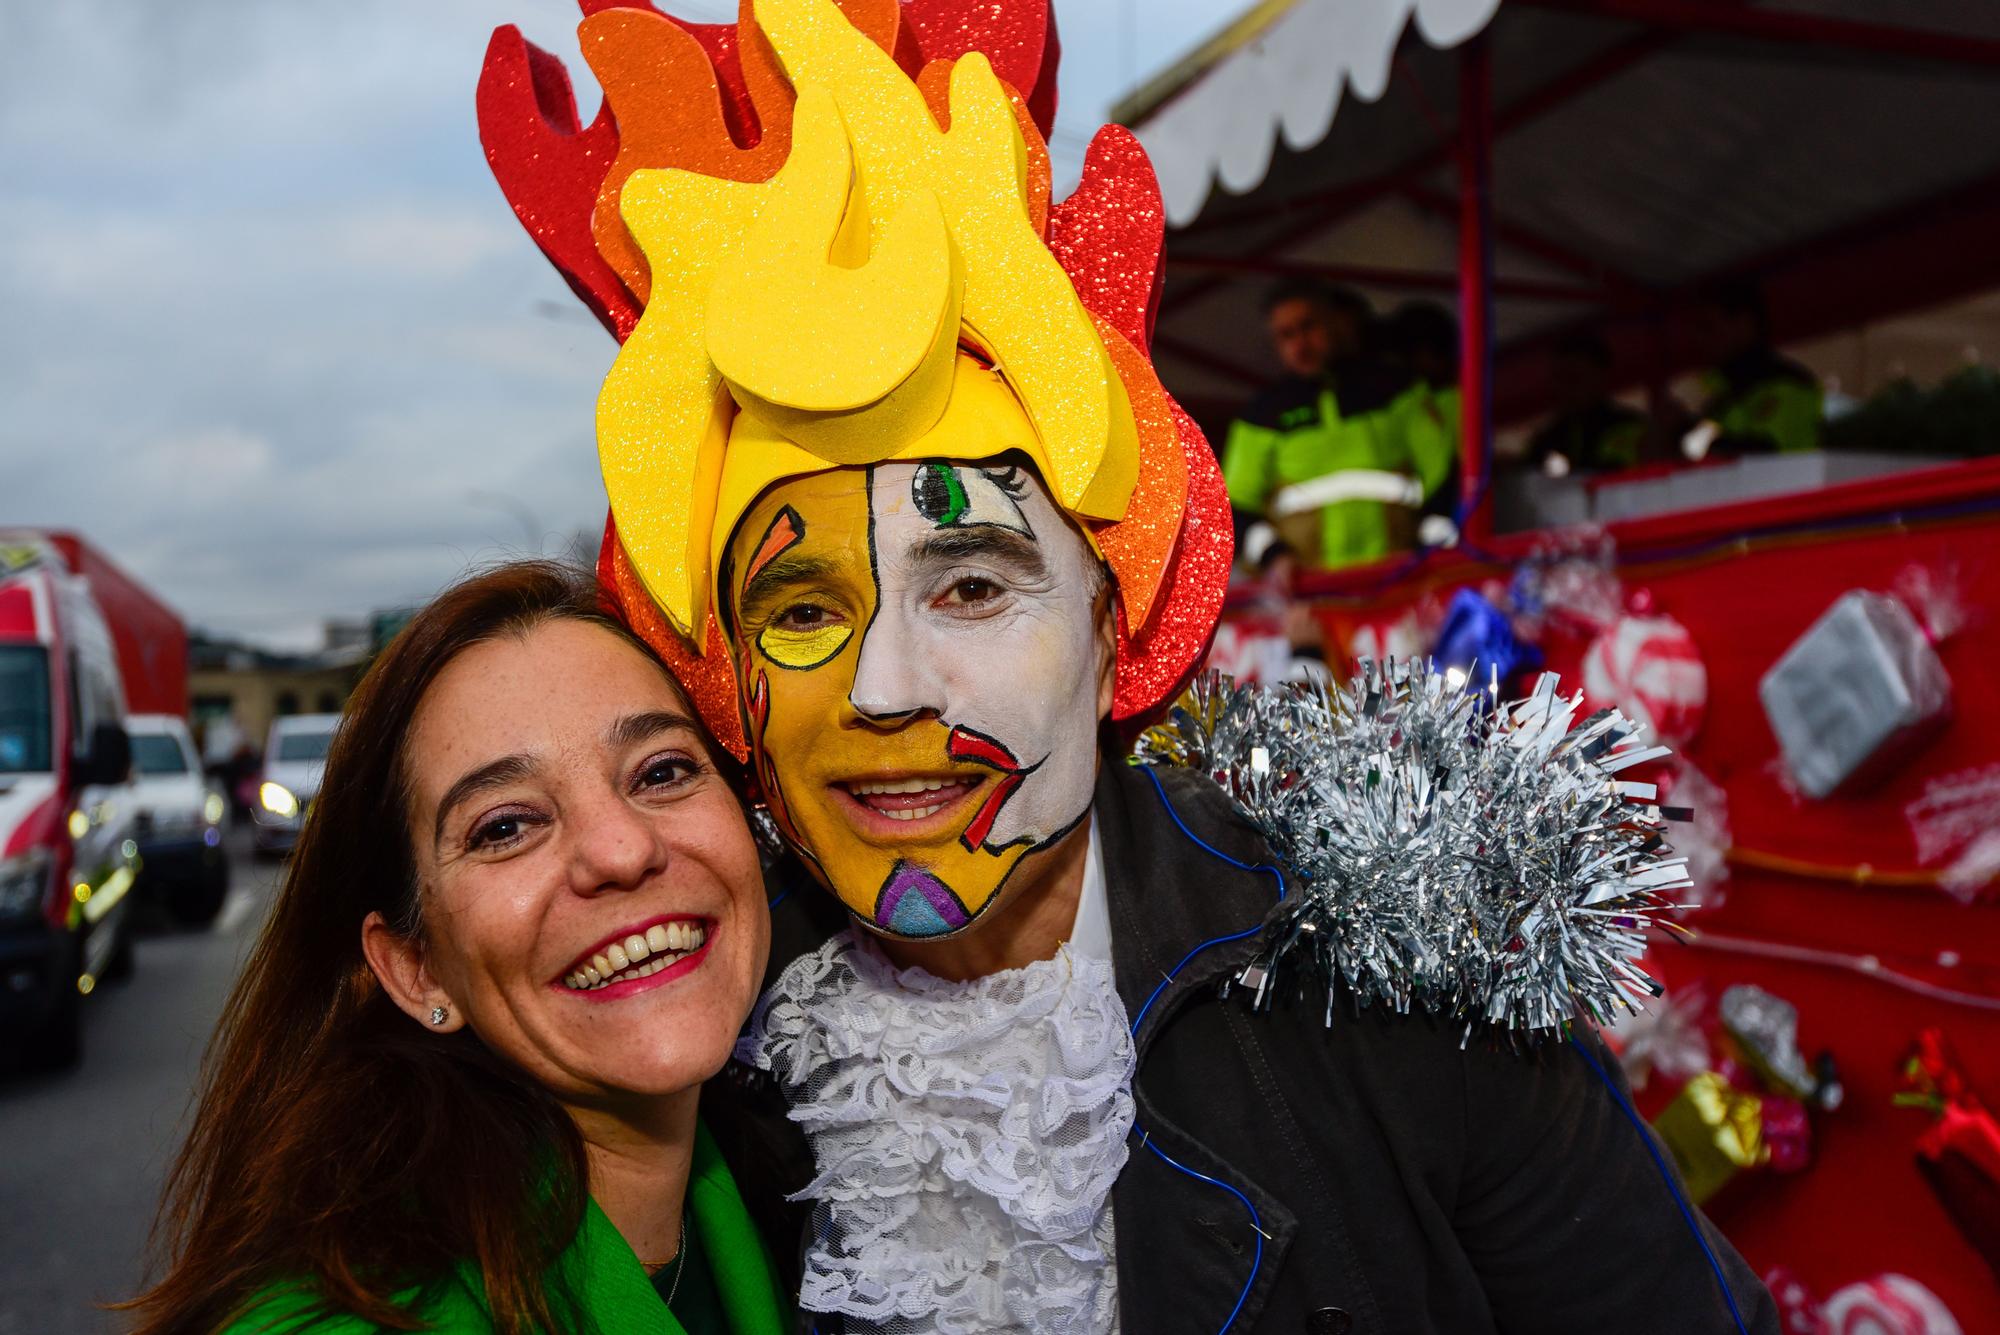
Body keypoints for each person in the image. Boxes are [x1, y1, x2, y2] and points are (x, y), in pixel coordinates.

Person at [489, 1, 1780, 1328]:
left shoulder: (1402, 995)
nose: (884, 689)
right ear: (731, 689)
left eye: (975, 582)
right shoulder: (688, 1044)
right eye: (802, 610)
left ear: (1119, 627)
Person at [123, 562, 792, 1334]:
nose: (619, 848)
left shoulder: (800, 1189)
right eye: (505, 825)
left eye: (664, 770)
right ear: (415, 967)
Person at [1222, 278, 1424, 572]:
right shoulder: (1261, 415)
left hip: (1403, 582)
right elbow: (1233, 511)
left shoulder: (1397, 390)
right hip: (1313, 598)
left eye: (1308, 327)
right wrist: (1274, 555)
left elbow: (1443, 478)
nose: (1300, 344)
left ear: (1336, 323)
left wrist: (1436, 551)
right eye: (1286, 335)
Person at [1680, 281, 1823, 457]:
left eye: (1708, 327)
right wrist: (1680, 429)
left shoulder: (1789, 384)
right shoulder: (1721, 401)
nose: (1701, 340)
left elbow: (1764, 452)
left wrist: (1690, 433)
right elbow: (1695, 449)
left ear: (1744, 324)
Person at [1527, 330, 1647, 475]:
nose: (1564, 388)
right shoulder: (1544, 442)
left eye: (1574, 378)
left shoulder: (1633, 427)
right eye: (1559, 378)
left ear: (1601, 377)